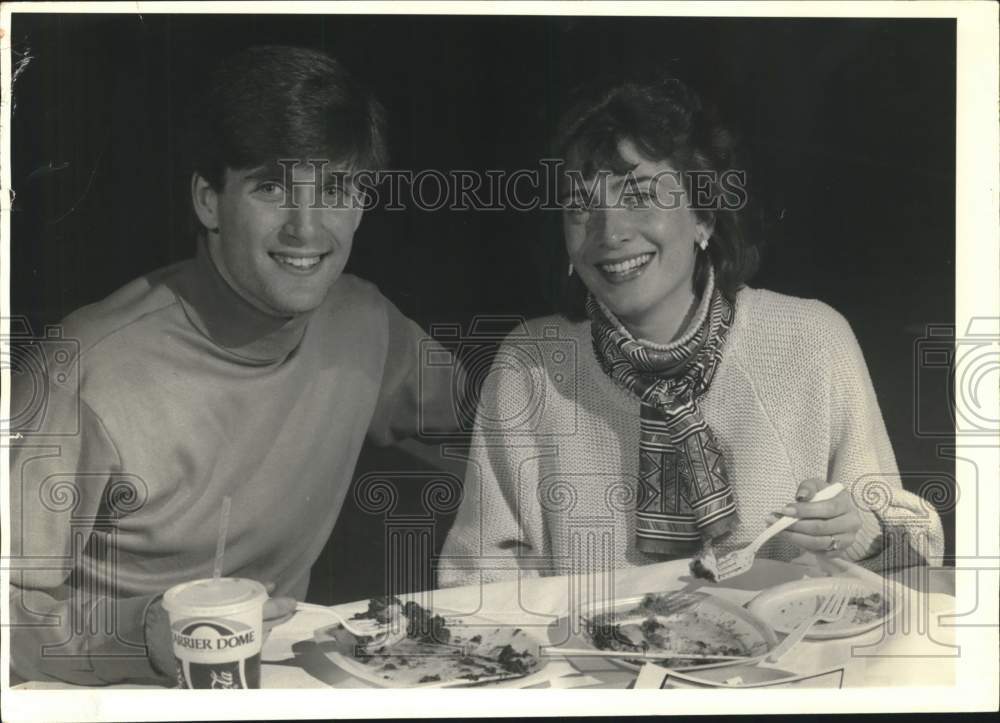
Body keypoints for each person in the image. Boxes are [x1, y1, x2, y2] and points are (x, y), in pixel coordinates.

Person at [9, 45, 461, 685]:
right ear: (208, 200)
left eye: (335, 189)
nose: (307, 229)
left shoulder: (366, 323)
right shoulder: (83, 368)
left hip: (280, 686)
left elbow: (500, 426)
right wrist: (142, 637)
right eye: (271, 187)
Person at [439, 74, 943, 587]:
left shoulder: (812, 341)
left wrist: (858, 532)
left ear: (703, 217)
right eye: (581, 206)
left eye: (639, 196)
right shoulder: (530, 364)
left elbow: (914, 561)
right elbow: (476, 579)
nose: (609, 233)